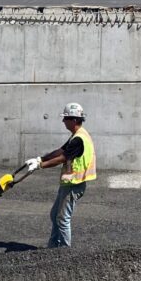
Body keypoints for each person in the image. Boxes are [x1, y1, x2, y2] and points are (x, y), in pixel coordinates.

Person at [23, 102, 97, 248]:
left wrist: (40, 166)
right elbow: (61, 150)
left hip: (74, 184)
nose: (63, 121)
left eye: (66, 118)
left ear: (74, 120)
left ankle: (64, 253)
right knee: (54, 215)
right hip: (69, 184)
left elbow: (63, 158)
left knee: (63, 218)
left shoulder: (78, 139)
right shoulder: (77, 135)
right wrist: (41, 159)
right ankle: (53, 247)